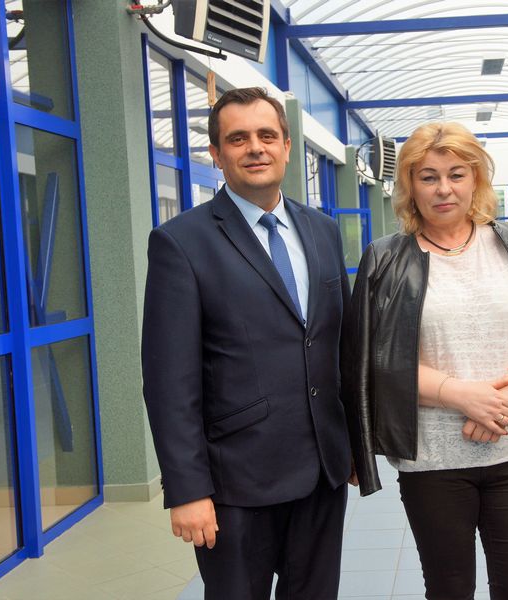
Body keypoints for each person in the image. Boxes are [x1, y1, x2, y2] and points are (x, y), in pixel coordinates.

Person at [343, 122, 508, 600]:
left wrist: (507, 397)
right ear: (410, 186)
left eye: (456, 174)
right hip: (432, 460)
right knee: (449, 589)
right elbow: (376, 361)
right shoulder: (385, 259)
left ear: (476, 179)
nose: (444, 189)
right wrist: (462, 396)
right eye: (429, 177)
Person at [141, 87, 352, 600]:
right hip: (235, 484)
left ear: (286, 147)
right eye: (238, 139)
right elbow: (170, 383)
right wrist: (187, 490)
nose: (255, 147)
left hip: (321, 474)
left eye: (266, 135)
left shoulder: (323, 231)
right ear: (216, 154)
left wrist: (353, 450)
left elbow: (340, 348)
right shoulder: (181, 242)